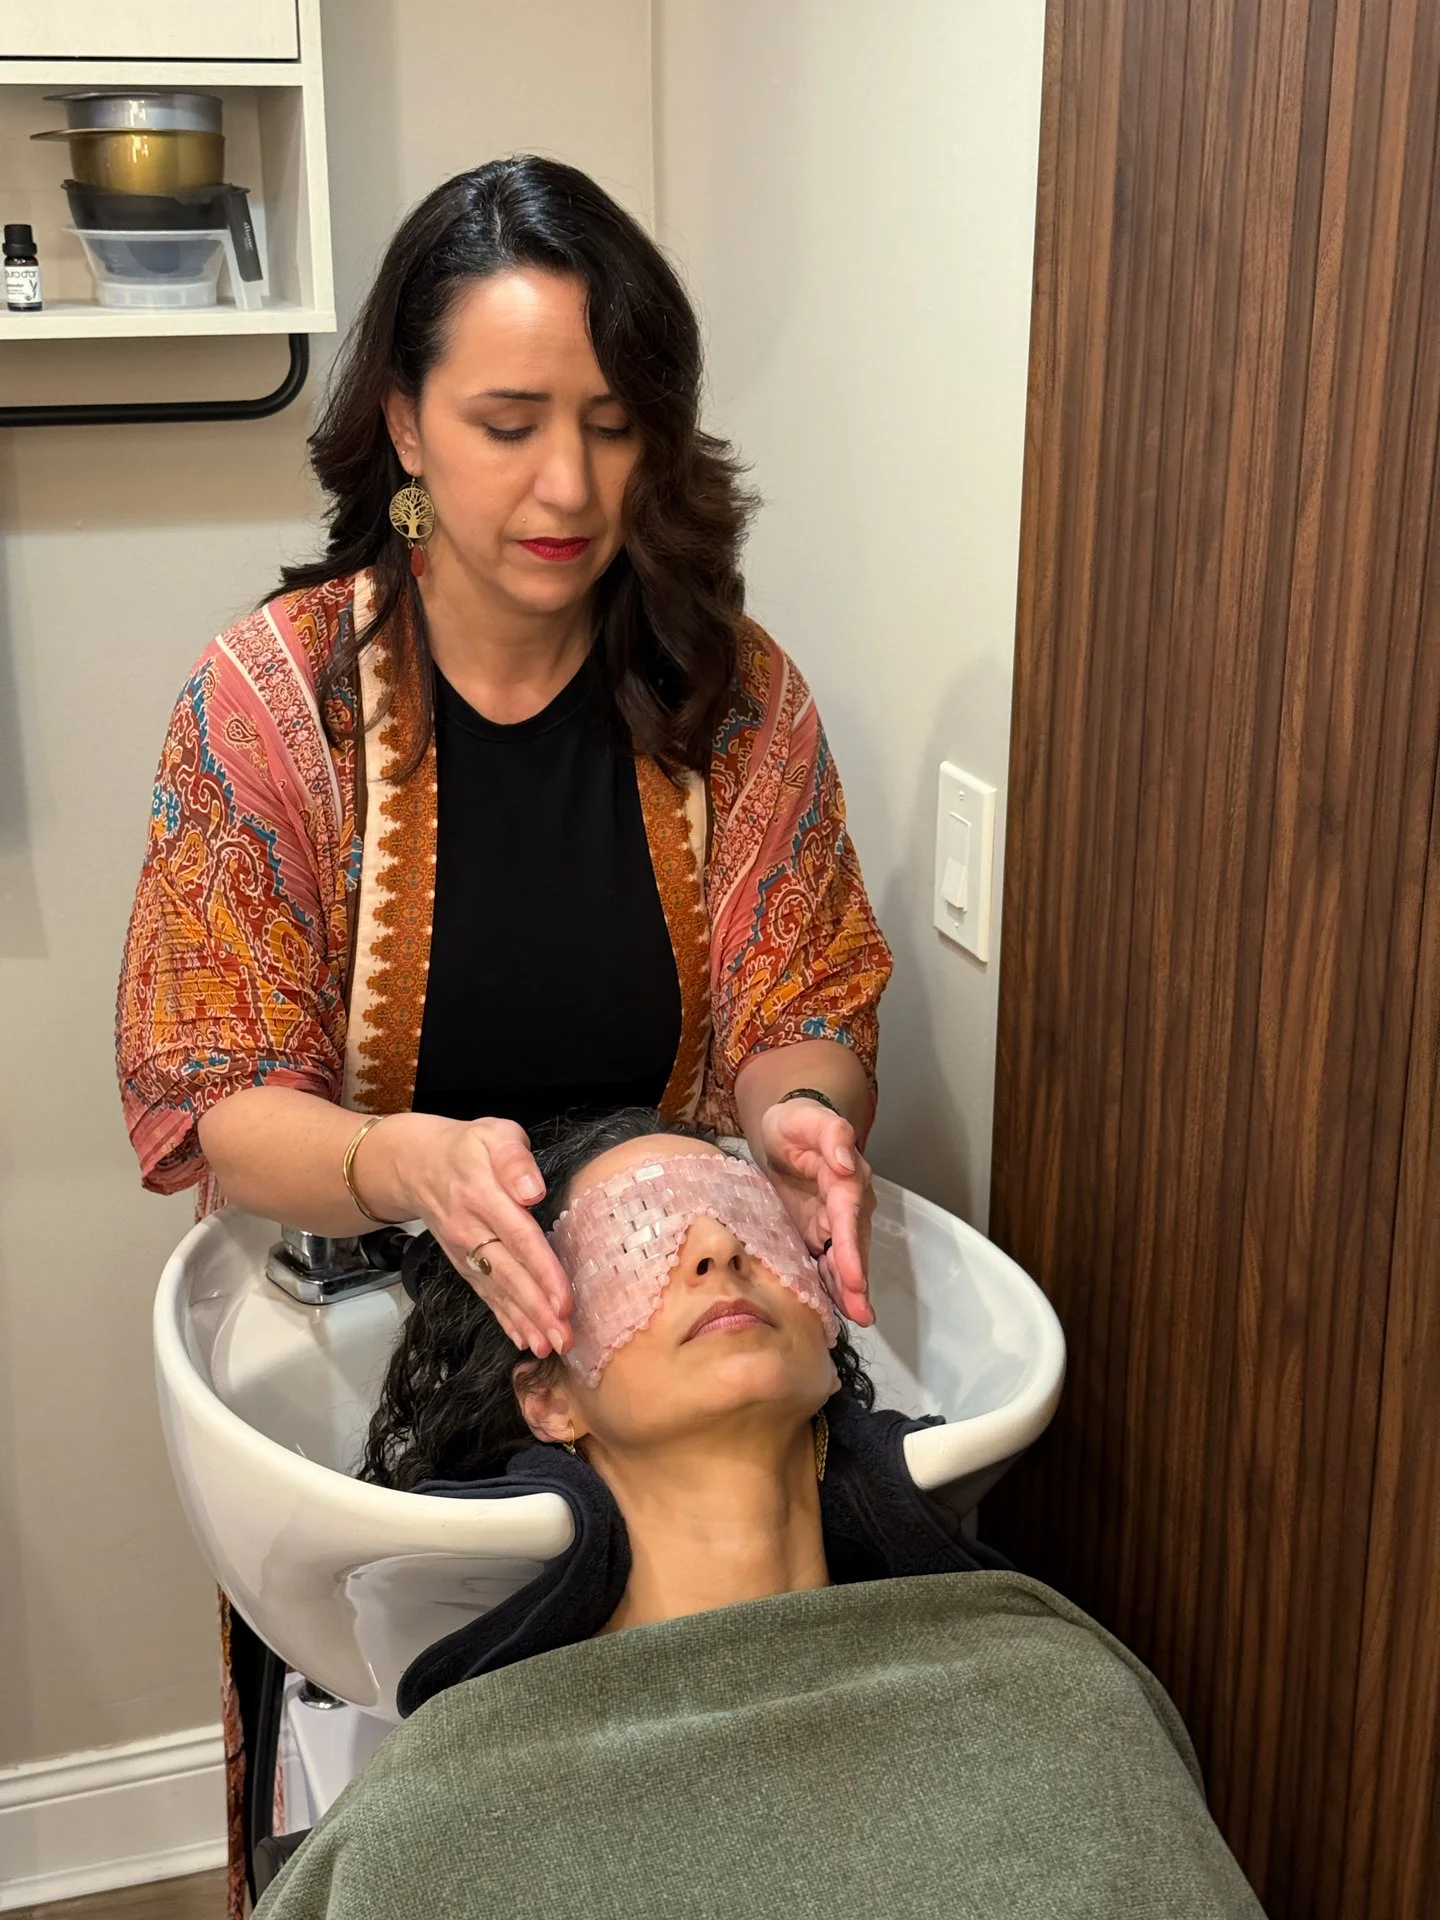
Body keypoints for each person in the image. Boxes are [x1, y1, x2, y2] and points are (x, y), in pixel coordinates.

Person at [116, 155, 892, 1908]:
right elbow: (214, 1091)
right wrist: (398, 1159)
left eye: (616, 426)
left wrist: (800, 1117)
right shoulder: (272, 708)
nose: (569, 485)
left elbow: (801, 1002)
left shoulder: (733, 693)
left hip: (651, 1354)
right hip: (386, 1364)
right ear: (400, 423)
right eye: (509, 420)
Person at [252, 1111, 1266, 1920]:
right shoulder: (435, 1827)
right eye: (637, 1238)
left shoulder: (1065, 1703)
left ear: (827, 1330)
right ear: (550, 1397)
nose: (716, 1252)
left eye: (744, 1218)